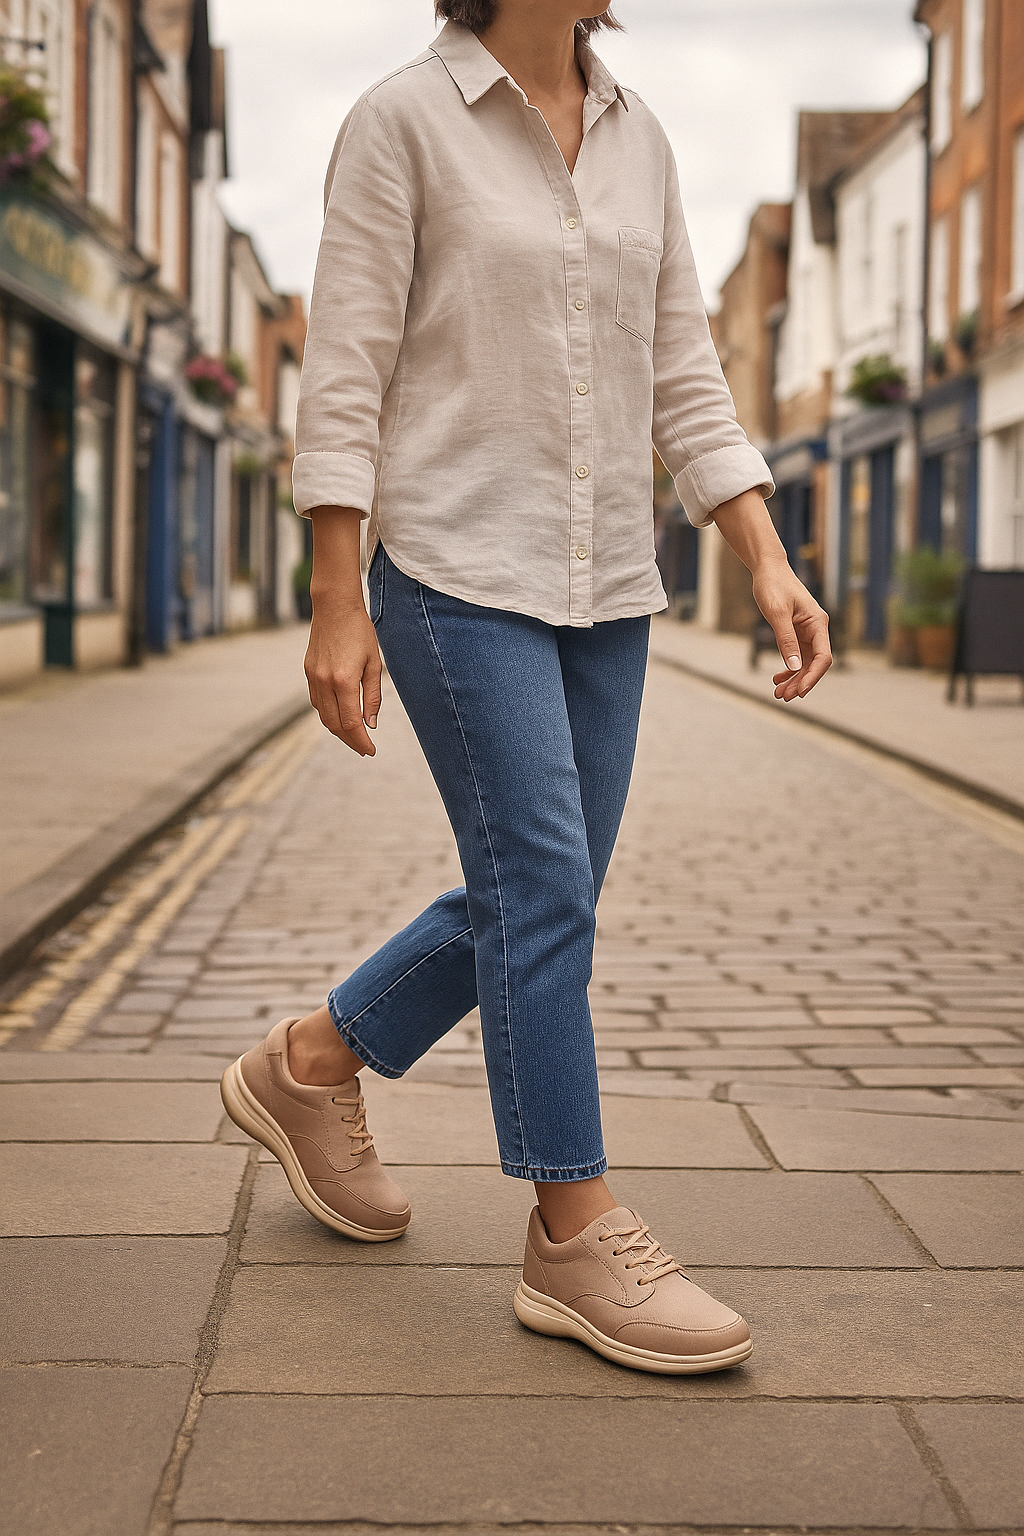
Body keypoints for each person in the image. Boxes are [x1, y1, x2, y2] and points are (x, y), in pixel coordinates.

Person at [221, 0, 832, 1376]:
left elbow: (686, 373)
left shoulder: (643, 140)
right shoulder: (402, 120)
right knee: (544, 885)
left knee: (536, 888)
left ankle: (313, 1064)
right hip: (450, 568)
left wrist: (769, 558)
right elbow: (349, 366)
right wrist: (336, 599)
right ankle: (571, 1225)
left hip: (610, 580)